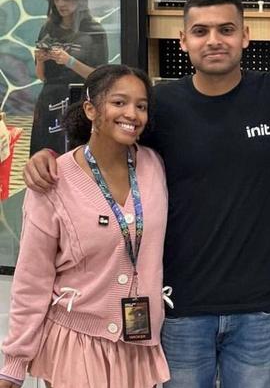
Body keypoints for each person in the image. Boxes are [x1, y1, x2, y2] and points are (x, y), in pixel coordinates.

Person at [22, 0, 270, 388]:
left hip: (260, 310)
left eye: (226, 29)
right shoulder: (162, 104)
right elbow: (105, 145)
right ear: (183, 40)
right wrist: (50, 158)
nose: (214, 40)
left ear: (245, 36)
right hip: (180, 306)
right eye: (201, 31)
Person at [0, 65, 170, 388]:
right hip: (76, 345)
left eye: (141, 106)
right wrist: (14, 363)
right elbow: (32, 278)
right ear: (91, 109)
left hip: (137, 345)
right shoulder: (53, 180)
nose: (132, 114)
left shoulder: (154, 166)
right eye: (119, 102)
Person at [30, 0, 108, 156]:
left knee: (76, 154)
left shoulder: (93, 30)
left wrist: (69, 61)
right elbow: (41, 76)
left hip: (78, 99)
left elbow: (99, 77)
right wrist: (40, 60)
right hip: (49, 100)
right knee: (45, 155)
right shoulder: (48, 28)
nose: (61, 4)